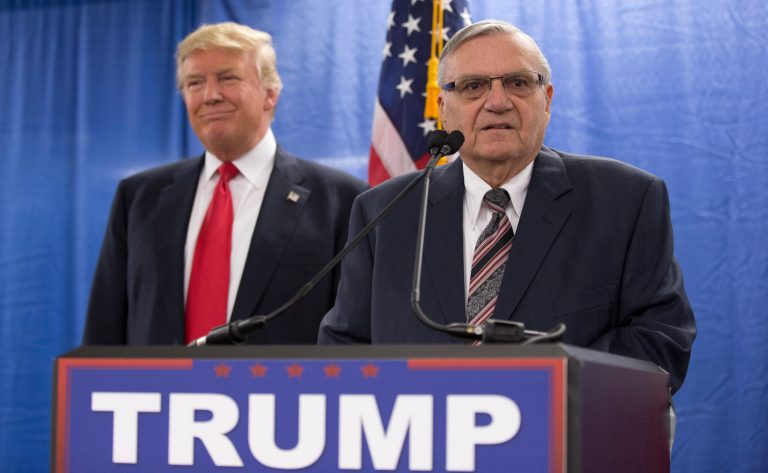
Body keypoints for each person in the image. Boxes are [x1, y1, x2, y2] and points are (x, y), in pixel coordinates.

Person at [319, 19, 696, 393]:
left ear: (546, 100)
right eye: (472, 86)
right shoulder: (385, 212)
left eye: (517, 83)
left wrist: (533, 394)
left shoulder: (625, 201)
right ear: (443, 108)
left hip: (568, 439)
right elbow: (344, 349)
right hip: (420, 444)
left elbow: (660, 338)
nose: (497, 102)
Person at [83, 22, 367, 345]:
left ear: (270, 94)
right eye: (194, 83)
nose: (210, 95)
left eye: (227, 78)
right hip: (157, 393)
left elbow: (354, 335)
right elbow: (104, 334)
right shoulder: (137, 199)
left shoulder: (343, 201)